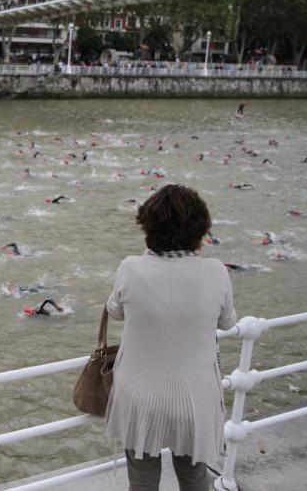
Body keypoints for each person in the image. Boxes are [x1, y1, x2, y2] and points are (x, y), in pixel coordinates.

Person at [104, 184, 237, 491]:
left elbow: (115, 310)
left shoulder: (131, 267)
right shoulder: (215, 271)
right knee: (194, 478)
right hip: (195, 398)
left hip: (139, 398)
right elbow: (228, 322)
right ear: (201, 230)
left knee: (142, 480)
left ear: (148, 228)